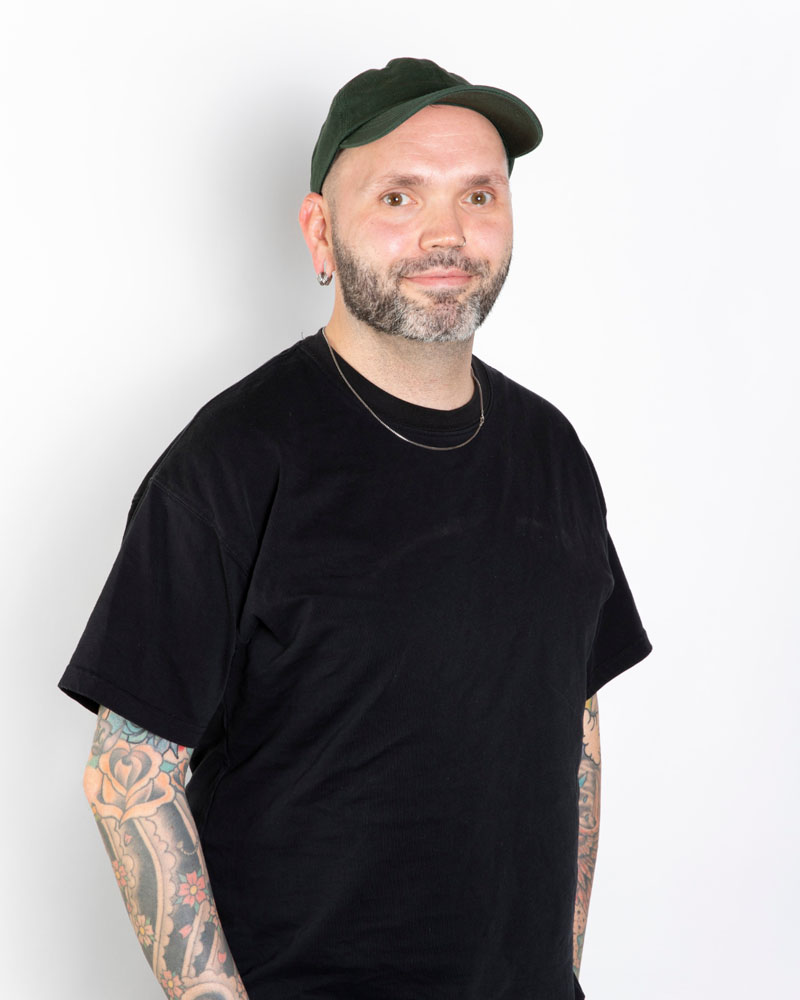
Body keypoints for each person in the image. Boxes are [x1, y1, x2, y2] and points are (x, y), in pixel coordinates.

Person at [60, 57, 652, 1000]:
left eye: (479, 195)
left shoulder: (554, 455)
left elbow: (574, 728)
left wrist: (560, 973)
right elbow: (127, 776)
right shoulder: (230, 462)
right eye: (398, 196)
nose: (446, 234)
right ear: (320, 232)